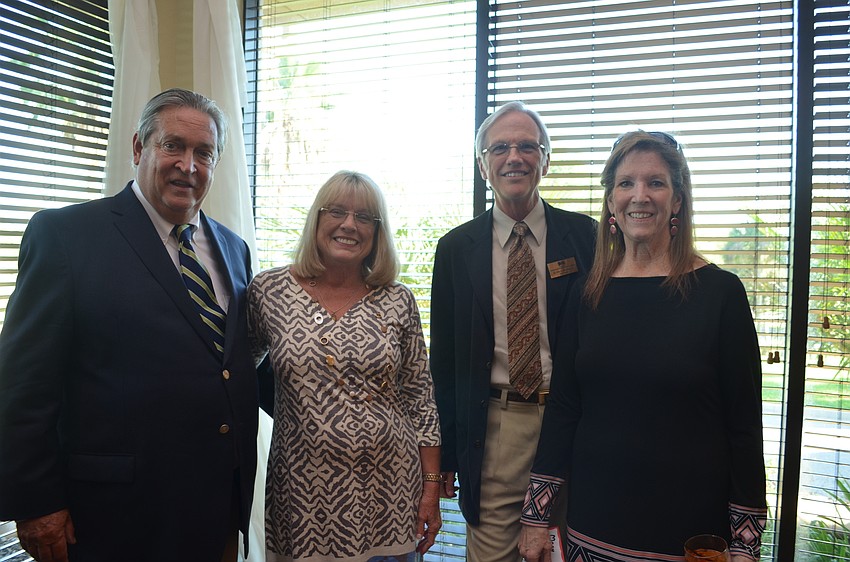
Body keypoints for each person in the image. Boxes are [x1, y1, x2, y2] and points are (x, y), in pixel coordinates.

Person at [0, 88, 258, 562]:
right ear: (139, 147)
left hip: (215, 510)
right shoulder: (65, 236)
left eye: (204, 152)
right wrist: (36, 502)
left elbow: (228, 364)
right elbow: (24, 383)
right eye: (172, 145)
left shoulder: (234, 249)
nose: (189, 165)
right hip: (111, 517)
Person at [518, 131, 767, 562]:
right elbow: (564, 408)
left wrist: (744, 544)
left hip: (688, 532)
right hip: (592, 525)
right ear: (611, 201)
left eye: (656, 182)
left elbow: (744, 426)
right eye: (626, 183)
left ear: (677, 199)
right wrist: (536, 517)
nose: (640, 196)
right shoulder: (585, 293)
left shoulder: (721, 293)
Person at [429, 101, 596, 562]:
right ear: (483, 165)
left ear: (546, 158)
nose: (514, 157)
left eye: (527, 145)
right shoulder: (455, 249)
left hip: (575, 425)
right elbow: (444, 362)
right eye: (499, 147)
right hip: (497, 428)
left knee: (573, 548)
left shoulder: (589, 238)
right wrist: (445, 454)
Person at [248, 170, 442, 562]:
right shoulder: (269, 291)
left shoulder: (397, 299)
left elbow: (420, 399)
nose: (349, 225)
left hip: (390, 493)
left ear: (377, 231)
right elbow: (235, 374)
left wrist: (431, 489)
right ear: (317, 221)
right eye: (336, 211)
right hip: (302, 498)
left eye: (365, 217)